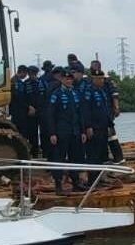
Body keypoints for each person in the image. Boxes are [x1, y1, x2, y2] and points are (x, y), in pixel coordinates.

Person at [45, 67, 89, 195]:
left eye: (70, 79)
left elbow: (80, 114)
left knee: (75, 157)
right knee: (59, 158)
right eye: (66, 79)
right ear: (62, 80)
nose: (69, 81)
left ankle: (76, 183)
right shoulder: (56, 94)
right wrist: (52, 133)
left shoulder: (75, 94)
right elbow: (50, 115)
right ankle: (58, 185)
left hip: (75, 131)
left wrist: (82, 131)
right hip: (61, 132)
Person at [89, 60, 124, 164]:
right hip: (98, 112)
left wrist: (116, 108)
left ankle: (118, 157)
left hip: (107, 111)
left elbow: (114, 94)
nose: (93, 68)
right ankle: (104, 158)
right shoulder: (90, 80)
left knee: (111, 134)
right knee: (101, 136)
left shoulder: (107, 79)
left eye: (94, 67)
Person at [83, 70, 112, 165]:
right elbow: (86, 110)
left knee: (103, 152)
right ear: (93, 79)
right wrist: (88, 126)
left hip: (103, 126)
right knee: (94, 153)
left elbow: (105, 110)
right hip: (94, 127)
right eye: (99, 79)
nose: (102, 81)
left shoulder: (102, 91)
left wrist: (109, 125)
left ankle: (102, 175)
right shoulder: (88, 91)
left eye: (102, 78)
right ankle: (93, 176)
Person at [9, 65, 30, 148]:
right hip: (17, 111)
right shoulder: (14, 81)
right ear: (22, 72)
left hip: (21, 111)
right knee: (19, 132)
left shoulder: (19, 82)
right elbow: (17, 98)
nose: (26, 76)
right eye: (25, 73)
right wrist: (28, 106)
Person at [25, 65, 41, 156]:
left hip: (40, 110)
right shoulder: (26, 83)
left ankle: (40, 149)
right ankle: (34, 152)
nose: (32, 75)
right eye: (30, 73)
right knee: (32, 133)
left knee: (43, 132)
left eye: (34, 73)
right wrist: (29, 107)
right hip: (30, 111)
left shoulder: (40, 82)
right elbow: (23, 98)